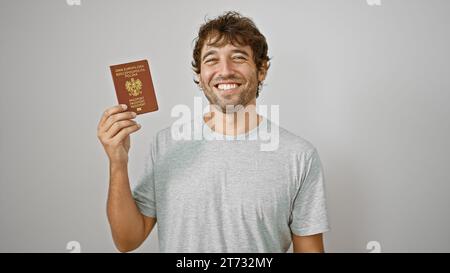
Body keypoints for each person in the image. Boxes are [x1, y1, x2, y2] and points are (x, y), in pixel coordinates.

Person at [97, 11, 330, 253]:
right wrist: (117, 162)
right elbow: (127, 240)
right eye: (211, 60)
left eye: (238, 57)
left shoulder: (299, 156)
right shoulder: (166, 144)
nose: (225, 70)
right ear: (199, 75)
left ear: (261, 70)